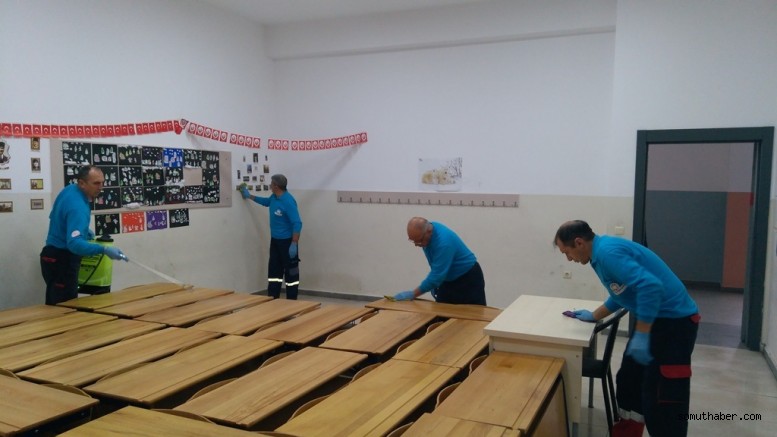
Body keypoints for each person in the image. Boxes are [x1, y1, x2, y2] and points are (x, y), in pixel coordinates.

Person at [553, 220, 699, 437]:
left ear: (579, 242)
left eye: (567, 252)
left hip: (673, 324)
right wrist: (594, 315)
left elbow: (650, 287)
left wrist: (642, 333)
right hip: (657, 320)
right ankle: (627, 432)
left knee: (662, 395)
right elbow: (621, 292)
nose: (569, 259)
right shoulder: (598, 256)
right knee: (629, 382)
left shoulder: (608, 254)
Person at [40, 166, 127, 305]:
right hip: (62, 260)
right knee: (65, 309)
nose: (101, 187)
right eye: (96, 183)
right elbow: (74, 244)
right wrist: (103, 249)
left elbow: (56, 217)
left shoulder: (70, 190)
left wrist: (83, 230)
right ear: (82, 183)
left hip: (50, 257)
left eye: (102, 182)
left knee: (57, 304)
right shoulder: (78, 206)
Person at [392, 217, 486, 305]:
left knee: (473, 314)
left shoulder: (444, 243)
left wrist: (413, 294)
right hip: (447, 280)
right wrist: (435, 283)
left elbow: (436, 276)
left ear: (429, 231)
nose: (417, 245)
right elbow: (436, 267)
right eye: (414, 241)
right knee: (440, 314)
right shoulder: (427, 233)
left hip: (468, 280)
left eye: (419, 241)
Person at [241, 174, 302, 299]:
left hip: (287, 243)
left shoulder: (288, 201)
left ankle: (292, 301)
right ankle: (273, 299)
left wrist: (294, 243)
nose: (270, 185)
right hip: (275, 242)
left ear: (276, 186)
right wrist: (249, 196)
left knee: (291, 275)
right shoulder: (274, 197)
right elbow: (265, 202)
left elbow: (297, 223)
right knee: (274, 272)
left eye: (271, 183)